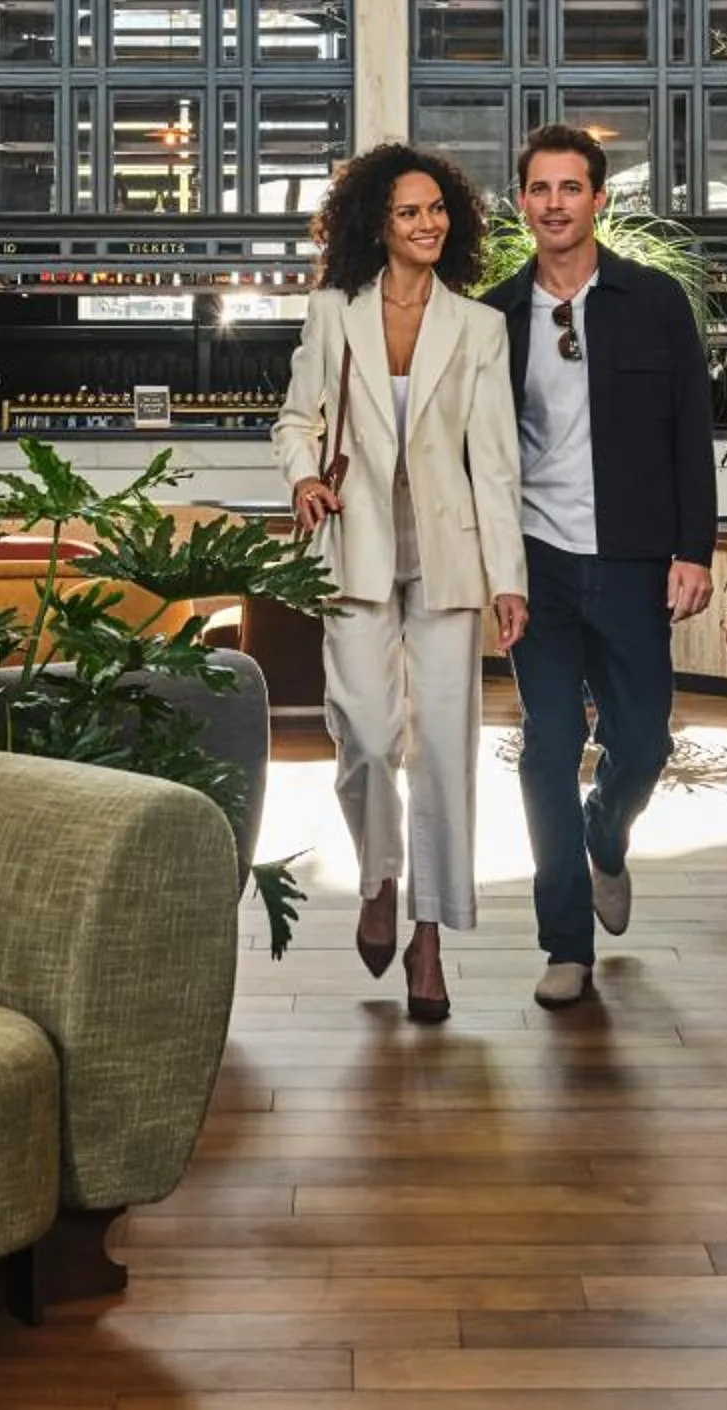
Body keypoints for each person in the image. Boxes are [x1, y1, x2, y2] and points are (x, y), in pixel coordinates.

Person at [274, 142, 530, 1023]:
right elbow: (297, 418)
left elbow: (495, 463)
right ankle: (377, 877)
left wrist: (510, 579)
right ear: (374, 224)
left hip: (450, 553)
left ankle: (428, 937)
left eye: (437, 209)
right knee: (371, 740)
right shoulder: (333, 312)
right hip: (354, 543)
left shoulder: (479, 328)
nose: (428, 224)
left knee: (446, 752)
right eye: (408, 212)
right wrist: (304, 474)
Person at [484, 123, 717, 1009]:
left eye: (570, 188)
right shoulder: (495, 317)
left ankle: (607, 832)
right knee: (546, 746)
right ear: (522, 203)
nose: (554, 204)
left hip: (628, 559)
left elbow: (689, 431)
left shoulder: (654, 301)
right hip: (534, 562)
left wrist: (692, 548)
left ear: (598, 199)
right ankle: (565, 944)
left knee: (646, 737)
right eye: (539, 189)